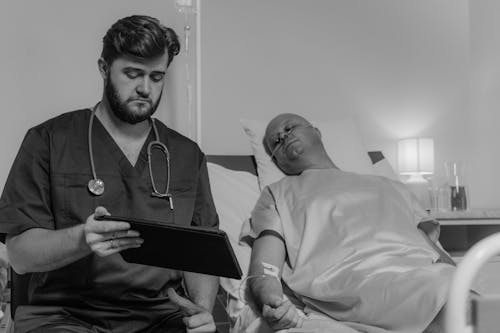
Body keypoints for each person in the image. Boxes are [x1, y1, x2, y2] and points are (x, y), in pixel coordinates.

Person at [0, 15, 219, 333]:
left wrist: (200, 311)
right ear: (104, 68)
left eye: (157, 77)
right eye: (132, 74)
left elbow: (201, 253)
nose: (145, 88)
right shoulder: (49, 140)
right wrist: (81, 238)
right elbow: (19, 255)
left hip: (159, 316)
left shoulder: (186, 155)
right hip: (64, 316)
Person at [239, 113, 458, 333]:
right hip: (354, 282)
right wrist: (272, 301)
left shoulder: (390, 186)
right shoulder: (278, 193)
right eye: (275, 141)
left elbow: (434, 251)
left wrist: (464, 275)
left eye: (289, 128)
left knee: (459, 289)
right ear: (278, 161)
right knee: (457, 302)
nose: (284, 137)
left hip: (423, 274)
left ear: (316, 131)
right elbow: (265, 265)